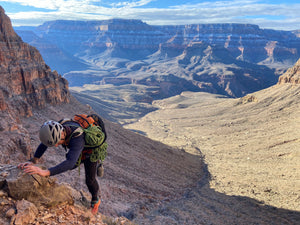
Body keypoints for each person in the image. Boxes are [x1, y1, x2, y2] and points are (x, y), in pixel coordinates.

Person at [18, 120, 101, 215]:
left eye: (57, 142)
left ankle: (95, 200)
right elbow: (45, 143)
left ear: (62, 135)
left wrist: (46, 172)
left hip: (89, 154)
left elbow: (69, 163)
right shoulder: (59, 127)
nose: (56, 145)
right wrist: (33, 160)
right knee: (72, 163)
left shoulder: (77, 138)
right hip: (77, 151)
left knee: (90, 180)